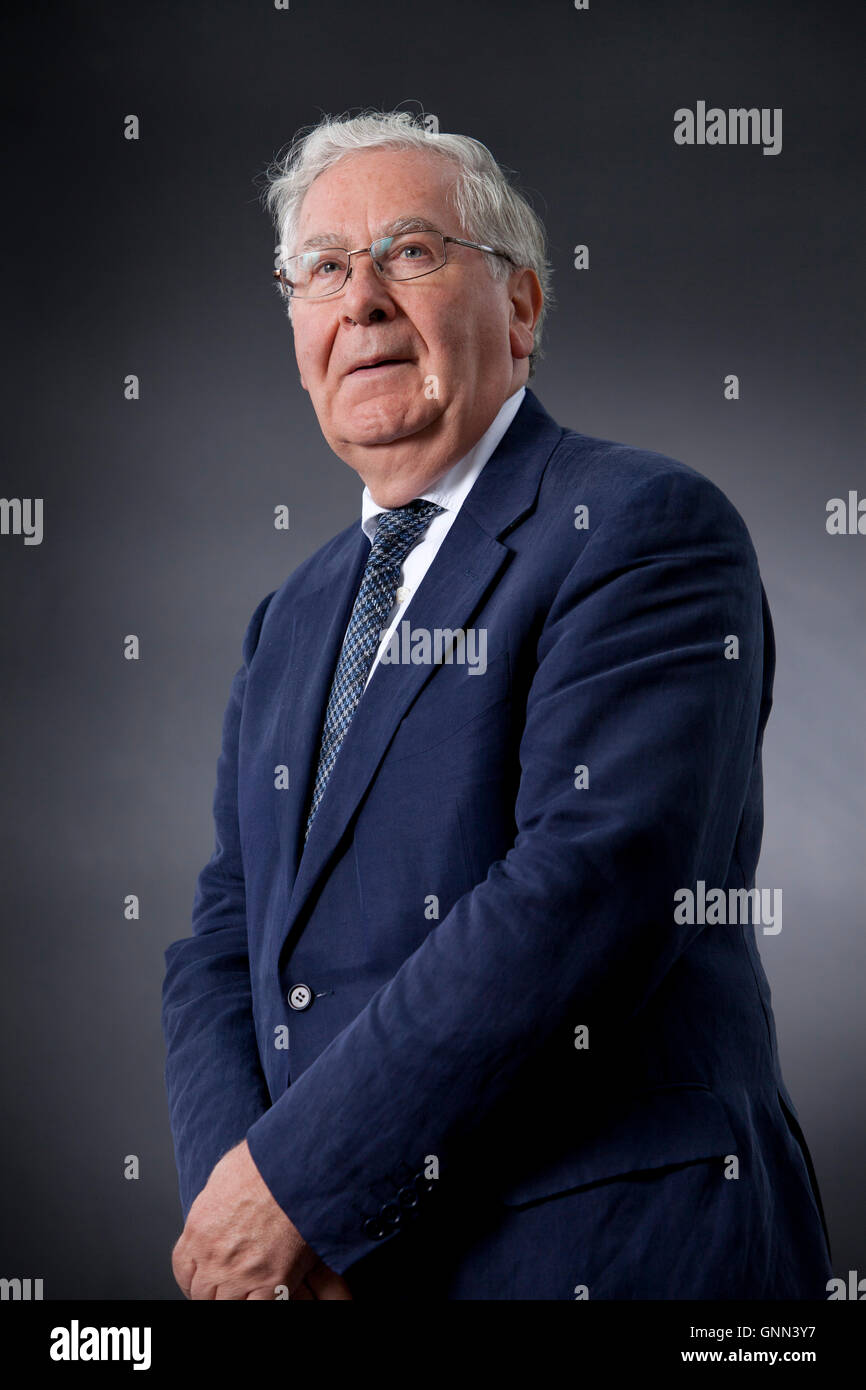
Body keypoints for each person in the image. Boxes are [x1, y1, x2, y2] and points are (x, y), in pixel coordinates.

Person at [162, 109, 832, 1300]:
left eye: (410, 251)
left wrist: (298, 1190)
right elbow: (224, 932)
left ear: (520, 309)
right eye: (321, 268)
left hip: (600, 1258)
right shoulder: (291, 615)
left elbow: (590, 884)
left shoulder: (639, 527)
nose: (359, 298)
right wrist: (242, 1207)